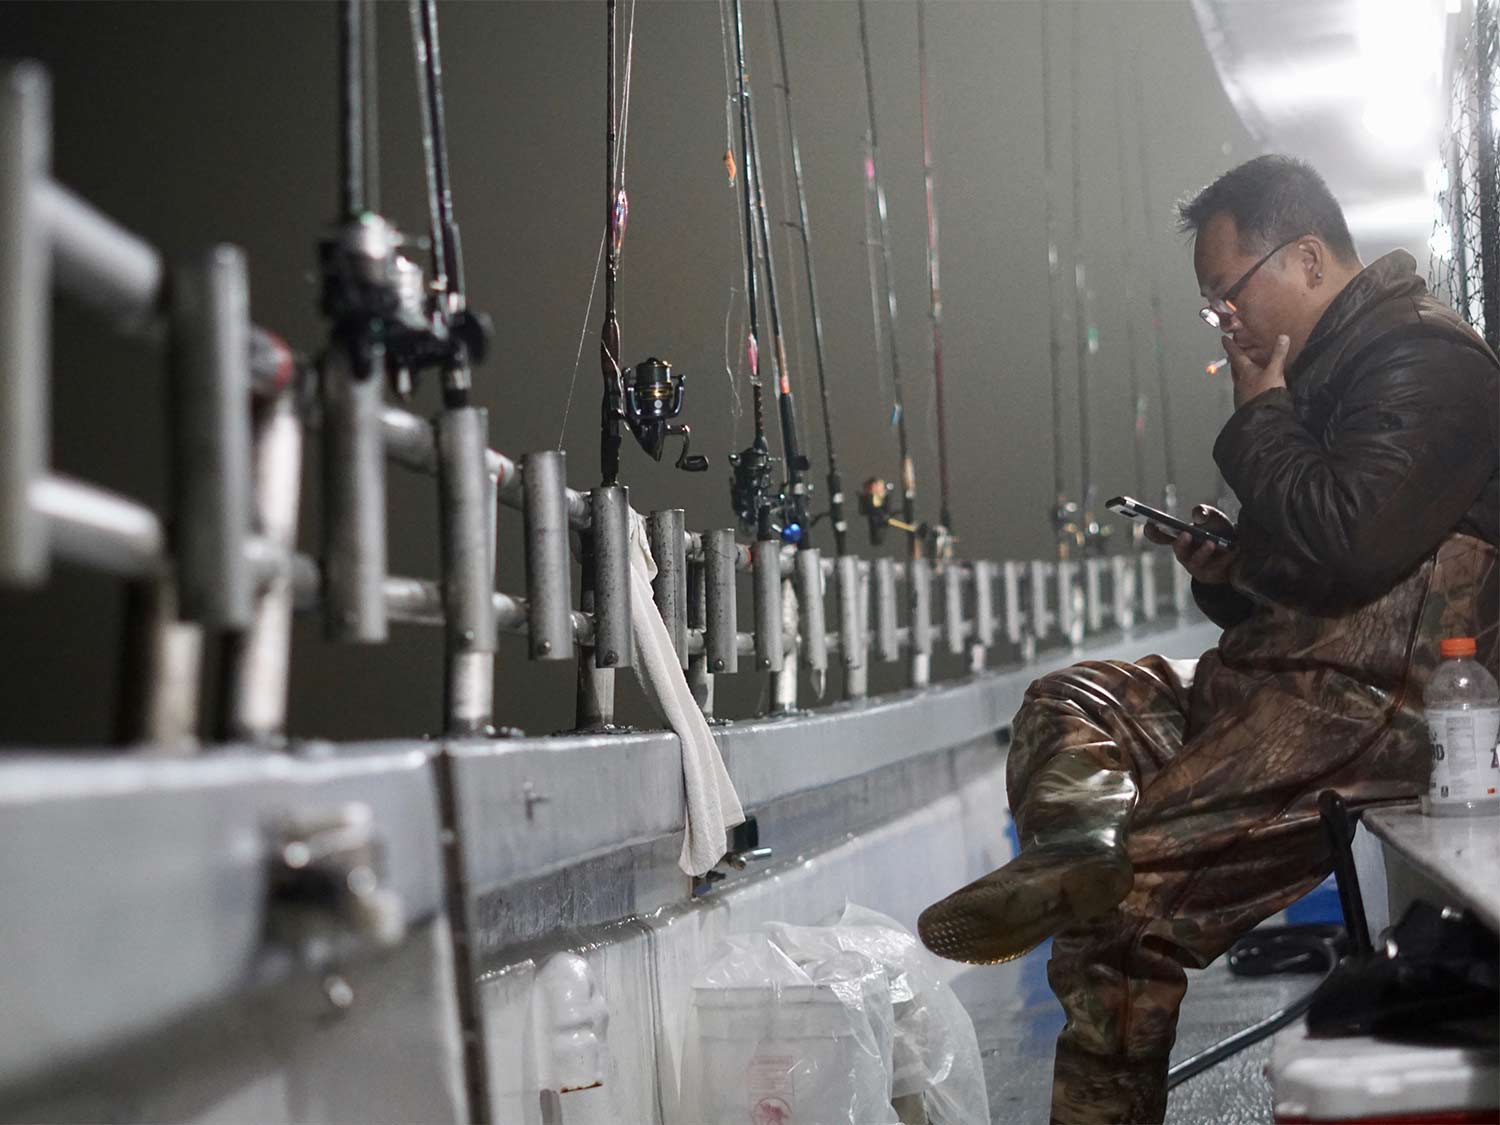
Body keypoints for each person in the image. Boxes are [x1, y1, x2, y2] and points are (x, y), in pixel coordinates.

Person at [917, 154, 1500, 1123]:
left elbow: (1351, 542)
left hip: (1368, 712)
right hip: (1284, 683)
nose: (1223, 320)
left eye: (1228, 292)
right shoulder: (1329, 378)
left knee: (1121, 924)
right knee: (1074, 700)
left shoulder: (1425, 359)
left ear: (1307, 258)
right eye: (1212, 306)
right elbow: (1317, 569)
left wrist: (1260, 415)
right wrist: (1229, 570)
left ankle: (1099, 880)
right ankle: (1079, 844)